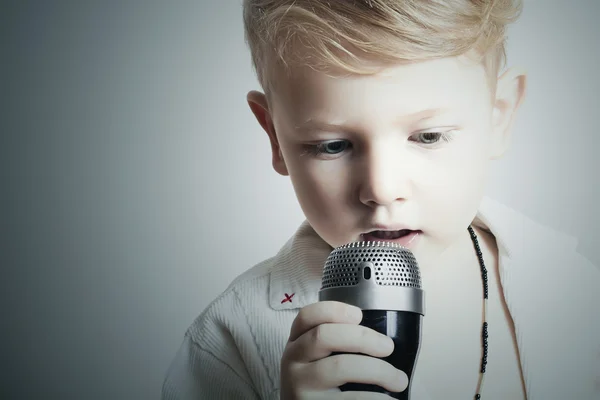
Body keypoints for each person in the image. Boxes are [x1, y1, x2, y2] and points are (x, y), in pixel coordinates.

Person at [162, 1, 600, 399]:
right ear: (275, 137)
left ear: (498, 117)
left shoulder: (575, 287)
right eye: (332, 145)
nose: (381, 188)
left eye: (427, 136)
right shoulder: (229, 340)